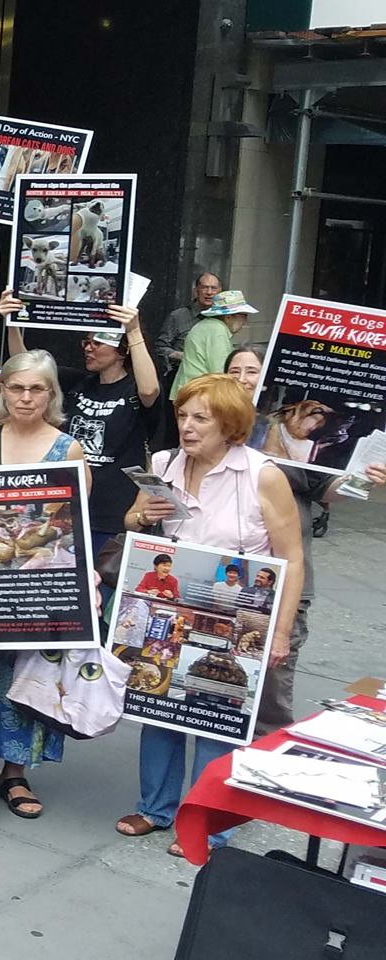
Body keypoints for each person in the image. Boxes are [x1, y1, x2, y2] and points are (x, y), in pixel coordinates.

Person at [119, 375, 307, 854]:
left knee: (215, 716)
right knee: (158, 705)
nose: (187, 426)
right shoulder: (163, 463)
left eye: (201, 418)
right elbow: (132, 520)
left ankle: (206, 824)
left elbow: (292, 557)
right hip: (170, 605)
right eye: (183, 415)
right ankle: (154, 809)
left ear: (230, 425)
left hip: (234, 613)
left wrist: (280, 632)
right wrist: (143, 517)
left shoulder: (261, 474)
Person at [0, 349, 88, 821]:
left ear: (51, 394)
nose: (26, 397)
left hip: (38, 581)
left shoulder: (67, 448)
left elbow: (75, 525)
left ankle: (14, 770)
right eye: (17, 387)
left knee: (26, 671)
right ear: (2, 390)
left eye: (37, 388)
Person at [1, 296, 162, 545]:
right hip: (64, 512)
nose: (88, 348)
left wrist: (133, 330)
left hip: (112, 515)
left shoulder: (134, 389)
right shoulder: (76, 383)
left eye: (97, 342)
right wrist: (12, 322)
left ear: (122, 349)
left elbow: (150, 390)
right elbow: (27, 371)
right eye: (85, 341)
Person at [223, 344, 325, 730]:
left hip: (282, 573)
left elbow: (330, 487)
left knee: (271, 691)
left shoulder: (291, 430)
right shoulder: (209, 426)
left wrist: (366, 474)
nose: (244, 379)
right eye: (235, 370)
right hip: (229, 573)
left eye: (252, 371)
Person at [169, 289, 254, 400]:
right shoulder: (217, 330)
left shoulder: (209, 326)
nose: (245, 322)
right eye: (243, 316)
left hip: (192, 393)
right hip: (200, 395)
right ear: (228, 317)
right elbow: (220, 372)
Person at [157, 272, 222, 372]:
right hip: (181, 374)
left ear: (219, 292)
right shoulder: (178, 316)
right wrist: (183, 356)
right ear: (196, 290)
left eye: (213, 288)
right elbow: (160, 348)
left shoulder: (223, 318)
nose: (209, 292)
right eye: (204, 287)